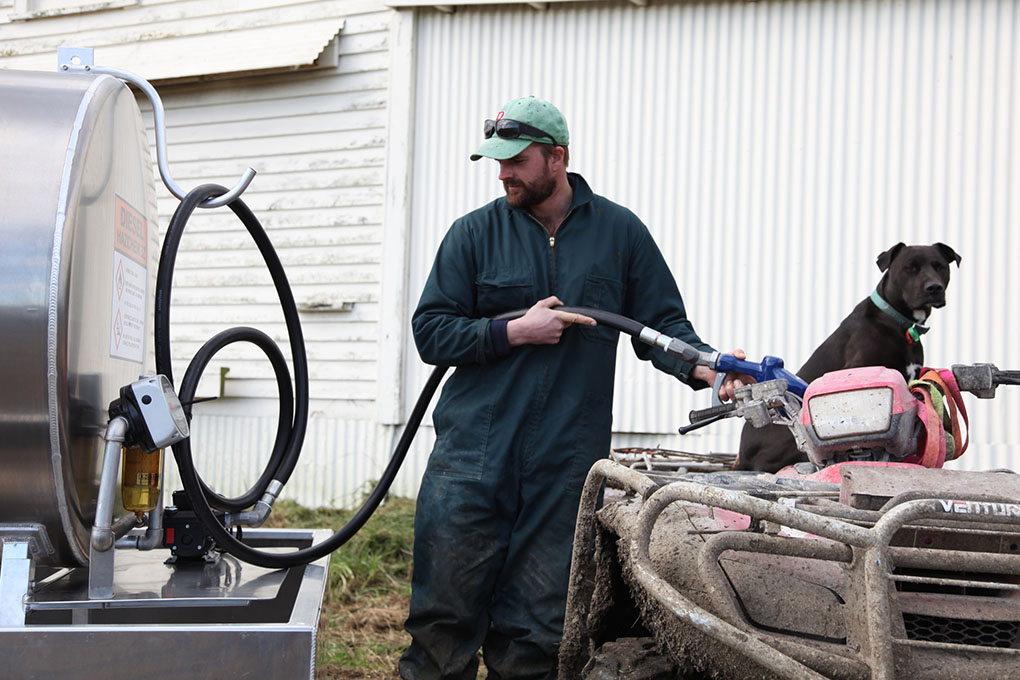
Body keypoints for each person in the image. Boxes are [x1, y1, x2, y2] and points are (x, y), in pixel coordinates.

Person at [399, 95, 747, 680]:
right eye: (498, 162)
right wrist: (514, 330)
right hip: (472, 459)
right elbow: (431, 331)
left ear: (556, 158)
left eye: (516, 160)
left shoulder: (618, 232)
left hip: (565, 463)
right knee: (442, 625)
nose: (503, 172)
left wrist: (709, 366)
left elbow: (660, 324)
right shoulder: (474, 234)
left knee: (536, 633)